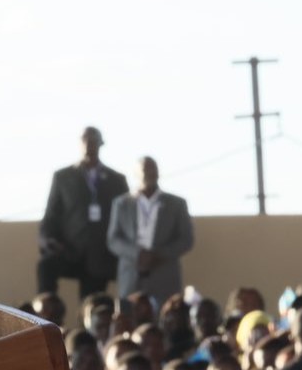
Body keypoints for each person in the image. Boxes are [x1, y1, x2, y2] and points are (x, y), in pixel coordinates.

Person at [38, 127, 131, 297]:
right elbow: (51, 215)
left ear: (101, 144)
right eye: (85, 140)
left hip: (101, 254)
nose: (89, 144)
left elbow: (128, 219)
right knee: (46, 265)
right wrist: (46, 240)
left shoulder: (117, 180)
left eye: (94, 140)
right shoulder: (63, 177)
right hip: (69, 251)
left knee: (92, 302)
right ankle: (46, 313)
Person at [108, 156, 195, 301]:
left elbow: (186, 239)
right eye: (144, 169)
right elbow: (113, 239)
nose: (149, 173)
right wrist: (138, 254)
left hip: (165, 274)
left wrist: (159, 255)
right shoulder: (121, 203)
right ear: (136, 174)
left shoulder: (176, 203)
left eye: (153, 169)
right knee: (129, 317)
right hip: (131, 274)